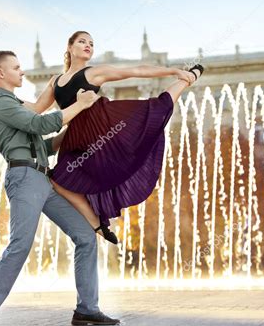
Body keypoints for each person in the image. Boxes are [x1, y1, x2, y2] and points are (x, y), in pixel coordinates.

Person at [0, 50, 120, 326]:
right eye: (17, 67)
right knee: (20, 245)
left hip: (42, 178)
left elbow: (45, 145)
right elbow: (40, 124)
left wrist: (74, 128)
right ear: (1, 73)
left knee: (85, 236)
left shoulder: (17, 105)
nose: (22, 72)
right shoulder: (0, 103)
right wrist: (80, 106)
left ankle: (87, 309)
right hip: (24, 178)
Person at [23, 31, 204, 245]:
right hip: (77, 138)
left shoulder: (94, 72)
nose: (88, 45)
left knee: (157, 107)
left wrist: (174, 70)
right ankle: (98, 224)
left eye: (91, 43)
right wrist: (5, 97)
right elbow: (36, 108)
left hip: (104, 126)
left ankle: (188, 78)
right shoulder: (56, 81)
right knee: (57, 180)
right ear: (70, 47)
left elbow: (136, 70)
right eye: (82, 42)